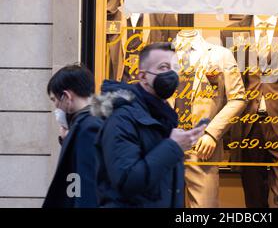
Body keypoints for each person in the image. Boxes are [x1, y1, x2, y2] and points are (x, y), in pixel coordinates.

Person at [93, 42, 206, 207]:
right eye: (163, 67)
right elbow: (127, 180)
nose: (172, 74)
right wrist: (173, 146)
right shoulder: (122, 118)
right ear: (143, 77)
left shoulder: (162, 115)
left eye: (175, 67)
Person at [43, 64, 101, 208]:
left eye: (54, 100)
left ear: (67, 96)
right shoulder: (87, 124)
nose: (56, 106)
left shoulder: (87, 128)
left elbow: (84, 185)